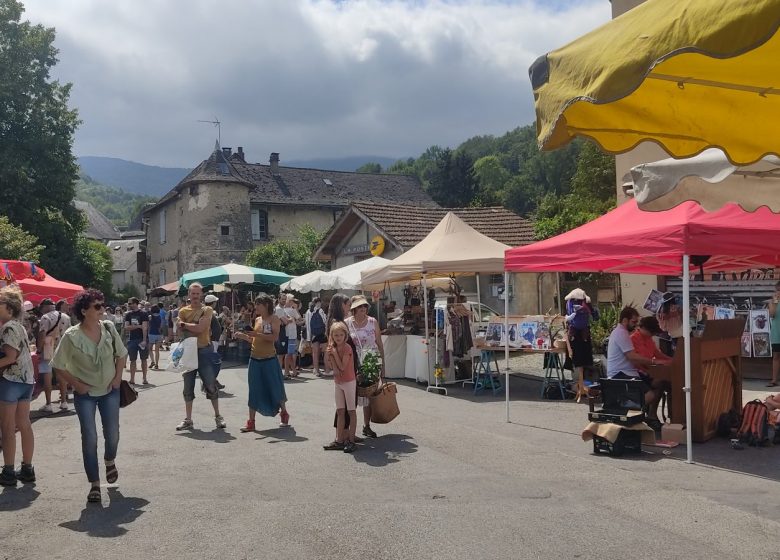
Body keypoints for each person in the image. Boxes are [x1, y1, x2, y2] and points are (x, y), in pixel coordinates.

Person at [50, 289, 126, 503]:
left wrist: (118, 377)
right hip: (86, 394)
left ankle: (109, 460)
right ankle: (94, 484)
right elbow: (57, 365)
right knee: (89, 437)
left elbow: (121, 354)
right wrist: (76, 385)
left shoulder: (109, 328)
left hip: (110, 389)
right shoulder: (71, 336)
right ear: (84, 311)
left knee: (113, 434)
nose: (103, 309)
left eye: (103, 304)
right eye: (97, 306)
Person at [234, 295, 289, 432]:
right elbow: (254, 340)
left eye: (259, 304)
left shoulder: (274, 319)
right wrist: (244, 336)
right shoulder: (257, 319)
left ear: (266, 305)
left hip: (269, 359)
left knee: (275, 387)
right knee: (254, 390)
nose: (256, 307)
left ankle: (284, 412)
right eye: (256, 304)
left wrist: (255, 334)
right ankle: (251, 422)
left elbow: (274, 338)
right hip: (254, 359)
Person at [174, 283, 226, 431]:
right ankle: (188, 419)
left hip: (204, 350)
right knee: (187, 387)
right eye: (193, 293)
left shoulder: (207, 309)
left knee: (210, 385)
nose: (195, 296)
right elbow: (180, 332)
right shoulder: (183, 311)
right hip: (188, 352)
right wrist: (186, 326)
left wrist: (185, 325)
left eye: (198, 294)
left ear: (201, 294)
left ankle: (218, 417)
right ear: (189, 295)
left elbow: (201, 329)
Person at [606, 306, 669, 427]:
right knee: (650, 394)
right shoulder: (621, 334)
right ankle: (628, 414)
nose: (636, 326)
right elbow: (632, 357)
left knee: (659, 384)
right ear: (625, 320)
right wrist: (654, 362)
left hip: (629, 372)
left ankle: (643, 415)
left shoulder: (622, 332)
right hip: (621, 374)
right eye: (633, 322)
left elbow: (643, 356)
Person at [0, 286, 37, 487]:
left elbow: (10, 357)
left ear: (9, 308)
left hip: (10, 381)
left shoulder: (7, 328)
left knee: (7, 428)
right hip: (26, 381)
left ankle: (8, 471)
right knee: (24, 425)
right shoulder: (20, 326)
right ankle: (27, 468)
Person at [345, 295, 385, 439]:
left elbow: (379, 344)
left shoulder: (372, 322)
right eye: (360, 307)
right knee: (352, 395)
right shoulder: (347, 323)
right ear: (354, 309)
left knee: (368, 395)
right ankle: (350, 430)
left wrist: (383, 366)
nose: (363, 309)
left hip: (371, 361)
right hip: (354, 362)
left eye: (365, 306)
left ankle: (366, 426)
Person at [327, 321, 358, 452]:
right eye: (335, 335)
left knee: (351, 411)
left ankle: (351, 440)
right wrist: (331, 355)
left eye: (340, 335)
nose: (338, 338)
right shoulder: (333, 348)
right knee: (340, 411)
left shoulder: (347, 348)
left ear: (345, 335)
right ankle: (339, 440)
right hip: (338, 382)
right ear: (332, 336)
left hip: (349, 382)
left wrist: (333, 354)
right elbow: (332, 368)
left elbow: (341, 367)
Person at [37, 298, 71, 413]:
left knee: (48, 375)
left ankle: (48, 404)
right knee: (62, 375)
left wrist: (38, 349)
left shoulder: (45, 317)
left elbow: (42, 334)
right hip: (63, 348)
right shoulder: (66, 317)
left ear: (45, 307)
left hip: (48, 348)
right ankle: (64, 402)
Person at [564, 288, 599, 395]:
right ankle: (579, 385)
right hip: (575, 332)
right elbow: (568, 318)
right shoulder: (570, 302)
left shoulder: (587, 303)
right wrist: (574, 313)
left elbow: (595, 316)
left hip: (583, 333)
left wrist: (591, 311)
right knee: (577, 357)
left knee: (583, 357)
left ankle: (582, 385)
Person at [124, 297, 149, 385]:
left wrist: (144, 340)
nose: (129, 305)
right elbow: (126, 327)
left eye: (130, 303)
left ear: (135, 303)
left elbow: (145, 327)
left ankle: (145, 378)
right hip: (132, 340)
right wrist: (138, 326)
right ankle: (132, 379)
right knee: (132, 360)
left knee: (144, 359)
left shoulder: (143, 314)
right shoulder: (128, 314)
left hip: (142, 339)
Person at [306, 297, 328, 377]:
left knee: (316, 352)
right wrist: (326, 332)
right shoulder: (319, 310)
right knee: (324, 351)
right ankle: (325, 369)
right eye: (318, 302)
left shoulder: (309, 312)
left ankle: (317, 369)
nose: (319, 304)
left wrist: (309, 338)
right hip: (321, 333)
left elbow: (308, 325)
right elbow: (325, 322)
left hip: (314, 334)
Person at [283, 296, 301, 378]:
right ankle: (287, 371)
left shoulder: (282, 310)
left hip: (286, 334)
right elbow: (300, 319)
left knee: (288, 353)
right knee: (289, 353)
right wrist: (296, 308)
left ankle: (293, 370)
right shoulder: (292, 310)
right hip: (292, 334)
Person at [767, 281, 780, 387]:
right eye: (777, 289)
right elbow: (772, 315)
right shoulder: (772, 302)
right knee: (776, 356)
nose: (778, 292)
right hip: (777, 332)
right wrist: (775, 302)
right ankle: (774, 380)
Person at [148, 304, 163, 370]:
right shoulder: (160, 316)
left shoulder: (150, 317)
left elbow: (148, 325)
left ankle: (152, 361)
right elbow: (161, 326)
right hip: (158, 334)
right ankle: (157, 364)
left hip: (151, 334)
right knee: (157, 350)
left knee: (150, 349)